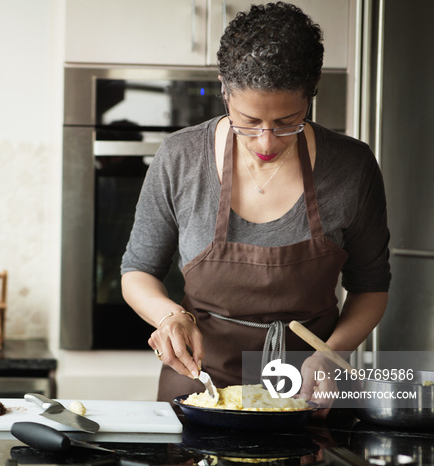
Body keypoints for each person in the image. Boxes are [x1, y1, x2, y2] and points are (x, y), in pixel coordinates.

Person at [120, 2, 390, 411]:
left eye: (287, 122)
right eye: (248, 121)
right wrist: (168, 317)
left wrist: (333, 354)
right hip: (200, 385)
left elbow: (370, 288)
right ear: (224, 91)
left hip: (309, 389)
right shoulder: (180, 157)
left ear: (311, 94)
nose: (266, 142)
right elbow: (137, 271)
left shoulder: (352, 166)